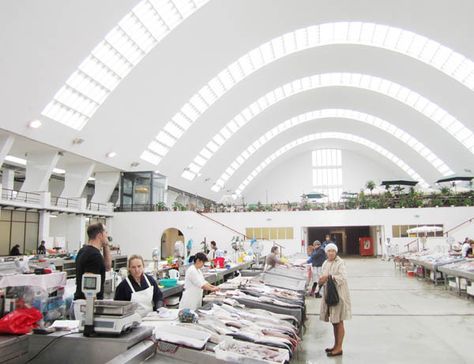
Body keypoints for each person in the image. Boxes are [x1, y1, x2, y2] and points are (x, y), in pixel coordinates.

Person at [319, 243, 351, 357]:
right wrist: (320, 281)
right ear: (326, 252)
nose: (331, 253)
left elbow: (343, 277)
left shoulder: (340, 262)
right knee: (334, 322)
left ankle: (339, 348)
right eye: (329, 251)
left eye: (333, 251)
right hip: (329, 295)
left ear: (336, 252)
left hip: (339, 295)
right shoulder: (325, 263)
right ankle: (335, 345)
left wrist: (329, 277)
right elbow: (322, 277)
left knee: (339, 321)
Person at [74, 223, 112, 300]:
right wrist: (92, 309)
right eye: (106, 233)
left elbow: (107, 267)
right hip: (87, 304)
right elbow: (89, 291)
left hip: (81, 301)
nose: (107, 236)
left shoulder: (84, 250)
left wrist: (106, 245)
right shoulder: (94, 256)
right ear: (100, 235)